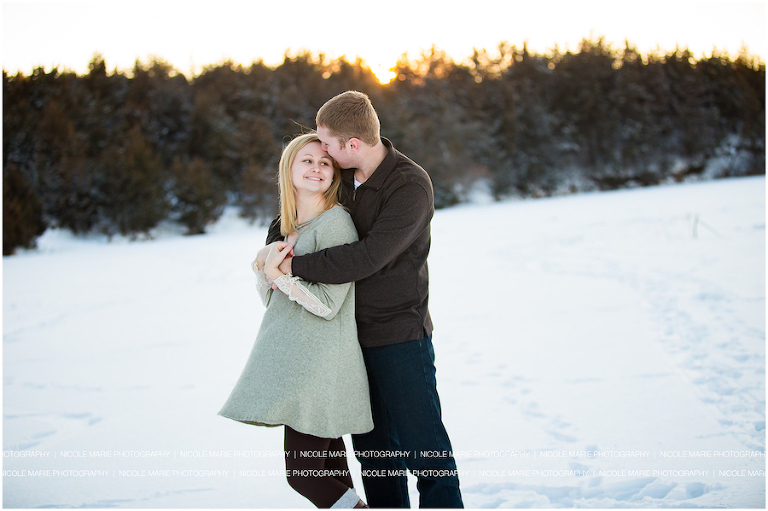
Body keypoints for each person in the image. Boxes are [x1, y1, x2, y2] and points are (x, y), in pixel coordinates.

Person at [268, 91, 463, 508]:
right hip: (346, 340)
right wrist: (276, 247)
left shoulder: (409, 185)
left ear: (352, 144)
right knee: (376, 457)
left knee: (426, 452)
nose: (323, 152)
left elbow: (367, 258)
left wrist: (293, 266)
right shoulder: (342, 178)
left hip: (398, 337)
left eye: (328, 144)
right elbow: (300, 212)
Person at [219, 133, 373, 508]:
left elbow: (328, 304)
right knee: (331, 472)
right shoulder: (289, 228)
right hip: (297, 364)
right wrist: (264, 271)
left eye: (325, 163)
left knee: (303, 475)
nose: (317, 168)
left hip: (319, 366)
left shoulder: (335, 224)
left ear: (334, 174)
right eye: (307, 160)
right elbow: (275, 303)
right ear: (289, 168)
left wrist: (278, 274)